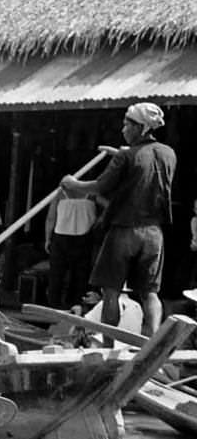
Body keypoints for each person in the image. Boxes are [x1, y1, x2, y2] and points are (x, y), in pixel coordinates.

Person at [60, 102, 176, 341]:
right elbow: (145, 168)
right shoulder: (168, 154)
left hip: (125, 229)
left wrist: (72, 183)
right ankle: (150, 343)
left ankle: (108, 345)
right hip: (153, 233)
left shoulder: (126, 156)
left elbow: (100, 186)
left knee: (110, 290)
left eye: (127, 124)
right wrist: (123, 155)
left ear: (140, 128)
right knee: (149, 292)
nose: (123, 128)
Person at [44, 185, 99, 310]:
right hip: (83, 236)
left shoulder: (59, 194)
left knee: (56, 274)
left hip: (61, 236)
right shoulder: (92, 194)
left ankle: (54, 305)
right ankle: (76, 304)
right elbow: (109, 205)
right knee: (80, 273)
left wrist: (47, 238)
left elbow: (50, 218)